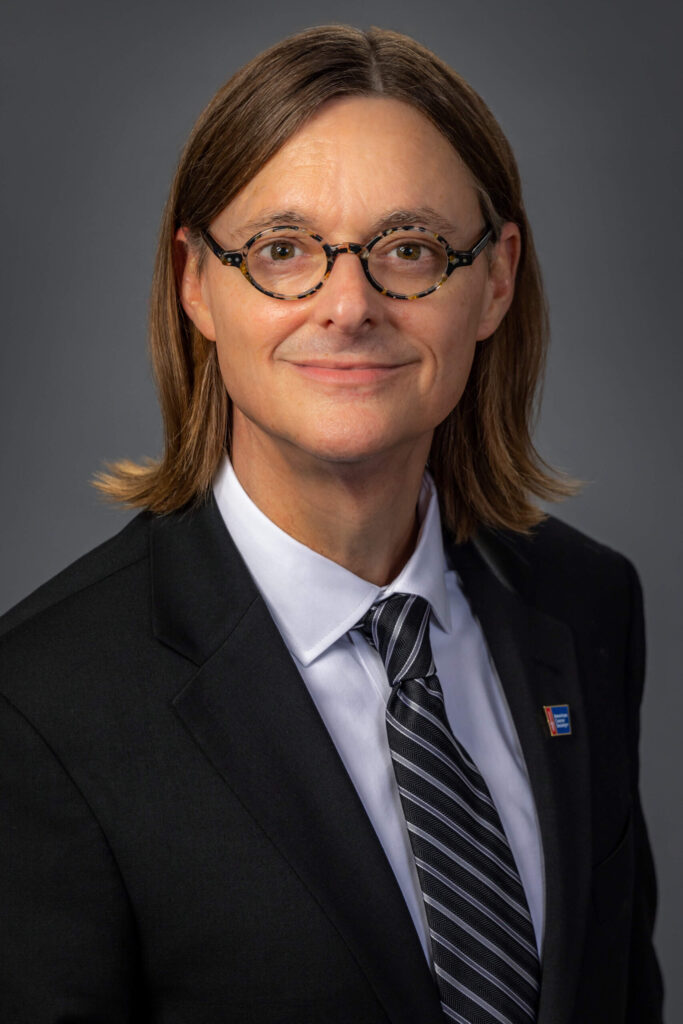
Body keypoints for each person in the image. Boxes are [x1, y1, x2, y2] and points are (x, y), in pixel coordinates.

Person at [0, 23, 663, 1024]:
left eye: (408, 249)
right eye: (281, 250)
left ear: (493, 279)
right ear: (195, 283)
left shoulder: (585, 603)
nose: (347, 306)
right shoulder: (39, 706)